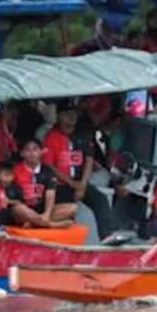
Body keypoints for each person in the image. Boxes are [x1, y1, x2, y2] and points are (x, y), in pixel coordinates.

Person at [43, 102, 115, 240]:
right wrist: (71, 183)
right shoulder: (51, 136)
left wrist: (83, 183)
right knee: (68, 212)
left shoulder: (83, 133)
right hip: (60, 184)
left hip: (79, 181)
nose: (72, 117)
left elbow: (88, 159)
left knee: (101, 200)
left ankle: (107, 237)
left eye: (74, 113)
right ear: (59, 116)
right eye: (67, 114)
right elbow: (49, 165)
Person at [10, 139, 76, 228]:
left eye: (35, 149)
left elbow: (50, 193)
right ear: (22, 153)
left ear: (41, 152)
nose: (32, 153)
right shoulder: (15, 170)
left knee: (72, 208)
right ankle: (51, 225)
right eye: (28, 150)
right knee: (17, 208)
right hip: (24, 209)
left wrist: (47, 214)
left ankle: (34, 223)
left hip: (42, 209)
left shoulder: (47, 170)